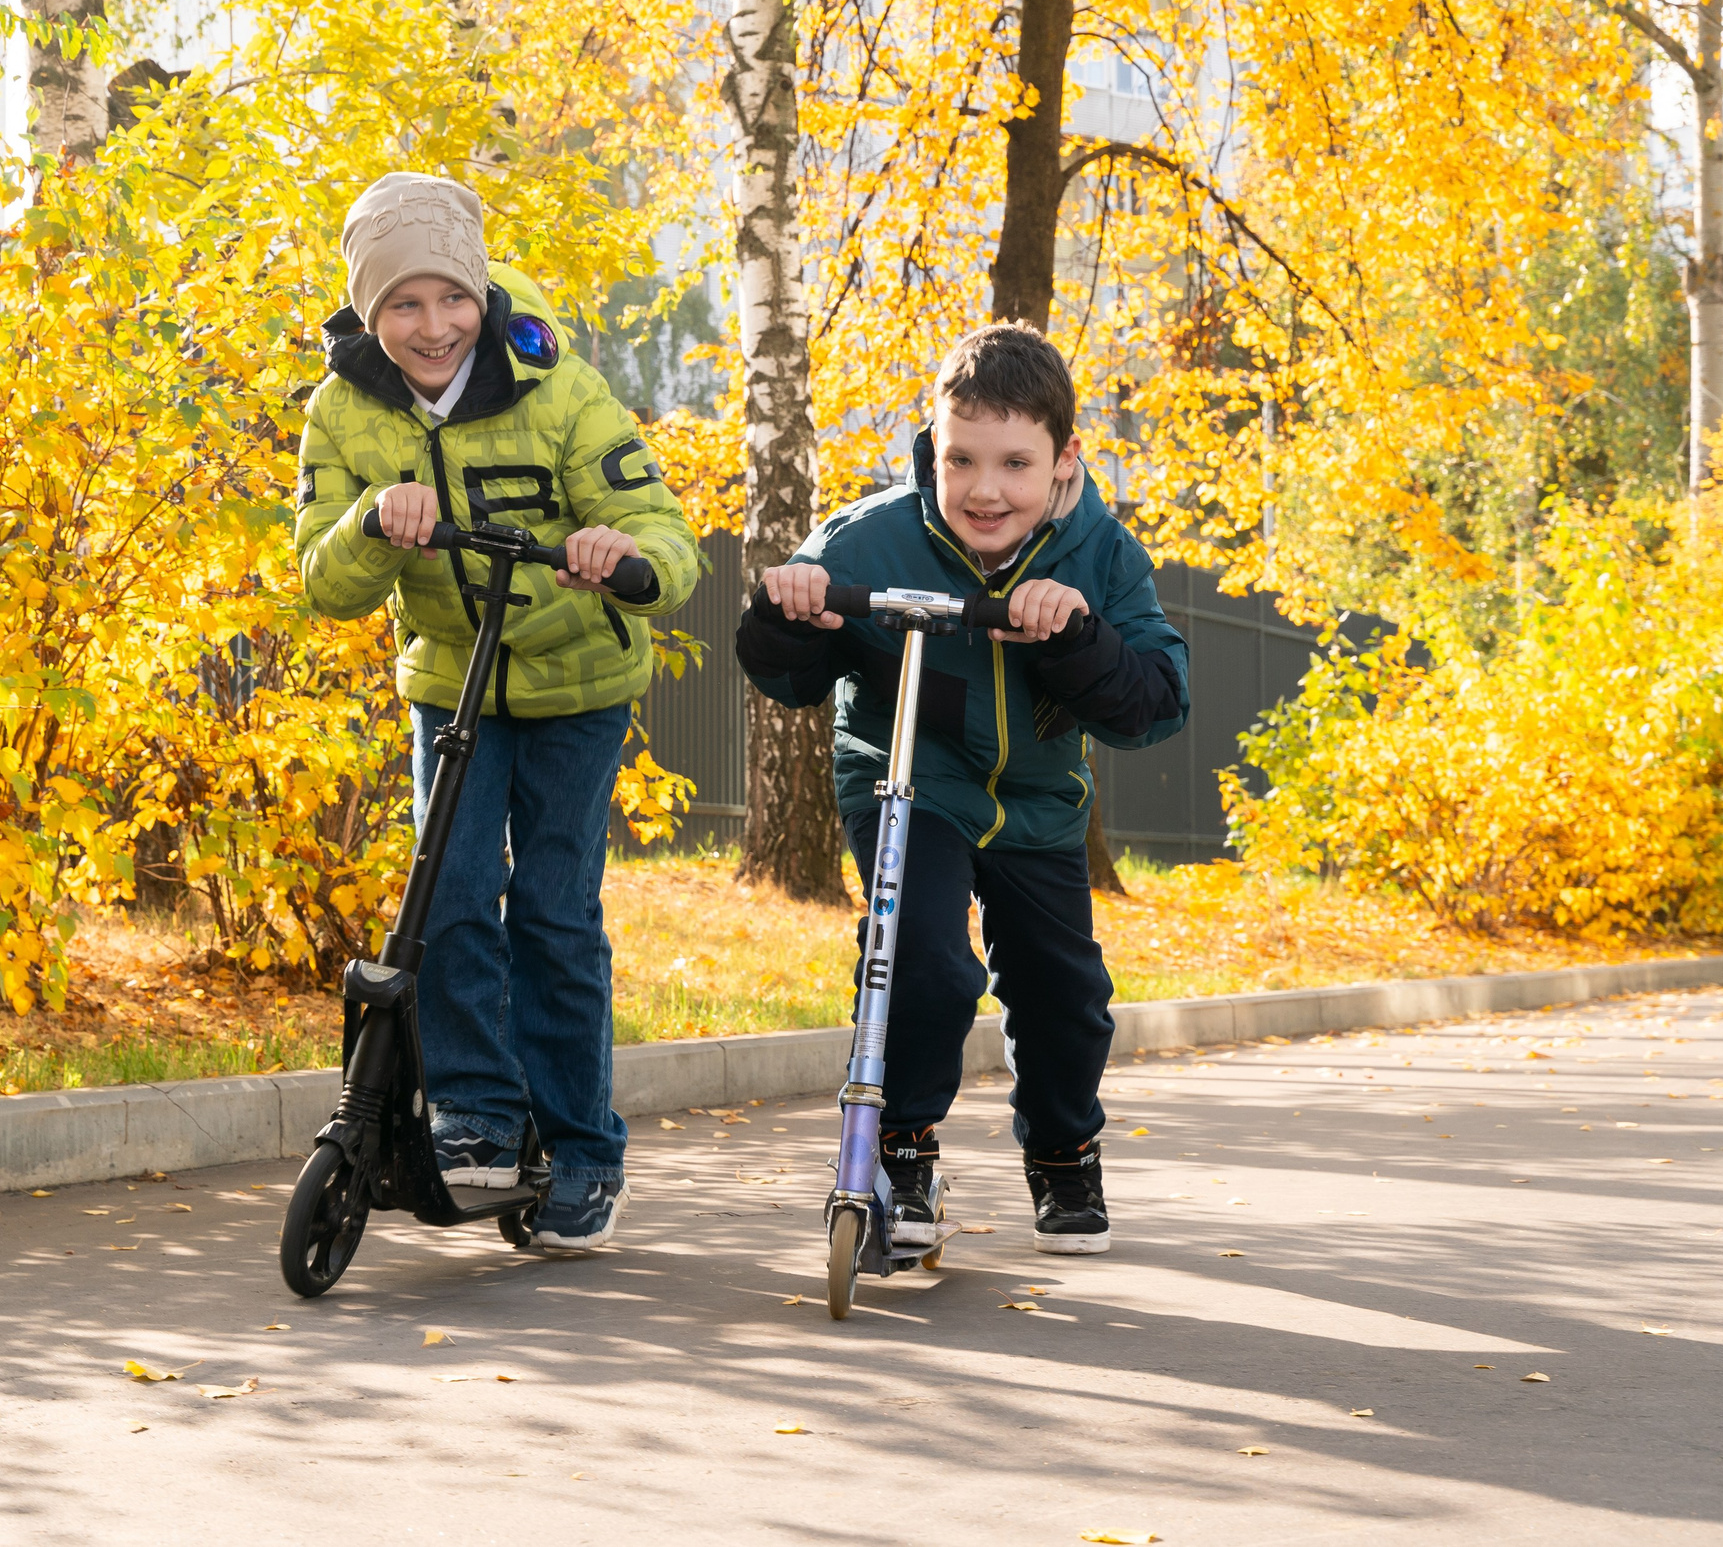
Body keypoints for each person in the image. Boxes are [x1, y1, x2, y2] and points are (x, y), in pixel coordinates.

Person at [295, 172, 700, 1251]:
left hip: (576, 684)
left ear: (478, 293)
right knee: (454, 894)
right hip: (451, 681)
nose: (432, 328)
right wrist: (374, 523)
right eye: (403, 306)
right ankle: (477, 1107)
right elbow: (322, 582)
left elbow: (661, 529)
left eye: (450, 299)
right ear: (370, 313)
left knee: (554, 911)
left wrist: (619, 558)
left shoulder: (553, 385)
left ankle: (581, 1147)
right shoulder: (342, 411)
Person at [734, 322, 1188, 1254]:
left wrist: (1078, 639)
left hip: (1035, 802)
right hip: (907, 782)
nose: (986, 490)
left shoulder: (1100, 553)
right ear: (931, 451)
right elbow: (785, 678)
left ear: (1065, 460)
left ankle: (1063, 1153)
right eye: (961, 460)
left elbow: (1156, 704)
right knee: (923, 962)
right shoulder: (870, 539)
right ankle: (898, 1150)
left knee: (1064, 992)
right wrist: (792, 615)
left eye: (1016, 463)